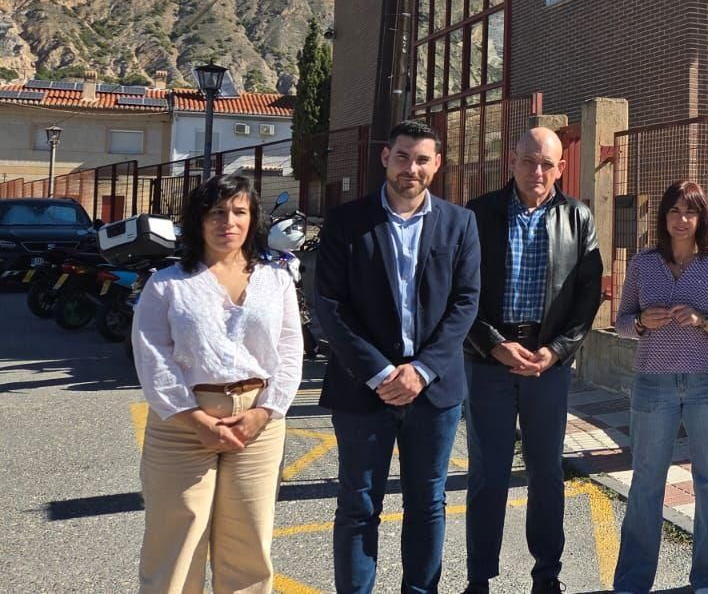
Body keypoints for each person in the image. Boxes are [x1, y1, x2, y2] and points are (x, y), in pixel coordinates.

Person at [314, 120, 482, 594]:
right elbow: (330, 305)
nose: (413, 168)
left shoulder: (459, 222)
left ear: (437, 164)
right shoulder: (347, 222)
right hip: (362, 388)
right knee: (358, 505)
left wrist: (422, 370)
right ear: (386, 157)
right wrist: (382, 372)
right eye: (404, 156)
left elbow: (466, 302)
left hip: (434, 393)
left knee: (427, 503)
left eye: (423, 159)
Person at [131, 173, 304, 594]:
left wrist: (265, 412)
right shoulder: (168, 284)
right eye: (216, 212)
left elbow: (289, 350)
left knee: (248, 546)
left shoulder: (276, 280)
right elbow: (153, 357)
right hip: (182, 427)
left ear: (252, 219)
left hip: (257, 426)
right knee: (176, 543)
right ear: (198, 220)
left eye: (239, 212)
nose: (228, 222)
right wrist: (194, 419)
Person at [461, 127, 602, 594]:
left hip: (547, 365)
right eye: (529, 161)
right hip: (489, 361)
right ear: (512, 160)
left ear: (562, 168)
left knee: (547, 474)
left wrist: (556, 350)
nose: (537, 171)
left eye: (547, 163)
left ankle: (547, 576)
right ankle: (479, 577)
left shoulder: (578, 218)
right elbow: (460, 293)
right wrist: (493, 344)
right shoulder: (479, 214)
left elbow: (586, 295)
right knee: (488, 475)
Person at [614, 180, 708, 594]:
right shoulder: (642, 263)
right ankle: (634, 582)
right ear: (663, 217)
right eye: (673, 211)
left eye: (689, 212)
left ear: (702, 218)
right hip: (653, 385)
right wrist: (639, 323)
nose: (681, 220)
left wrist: (703, 321)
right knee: (646, 483)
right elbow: (620, 322)